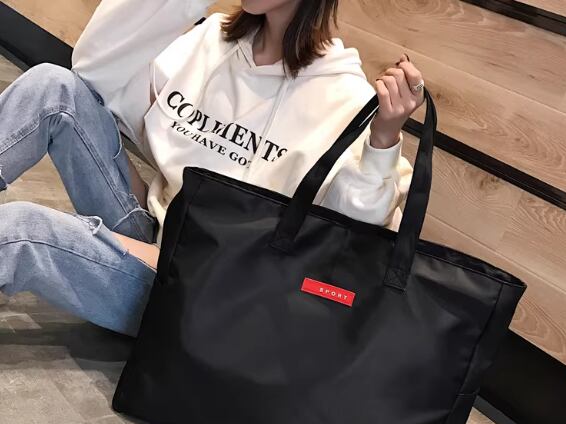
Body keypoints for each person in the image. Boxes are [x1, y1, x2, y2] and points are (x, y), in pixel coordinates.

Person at [0, 0, 425, 337]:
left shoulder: (342, 95)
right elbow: (92, 72)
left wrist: (383, 139)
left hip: (204, 295)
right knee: (53, 86)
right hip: (155, 230)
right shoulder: (214, 40)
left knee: (21, 230)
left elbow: (354, 227)